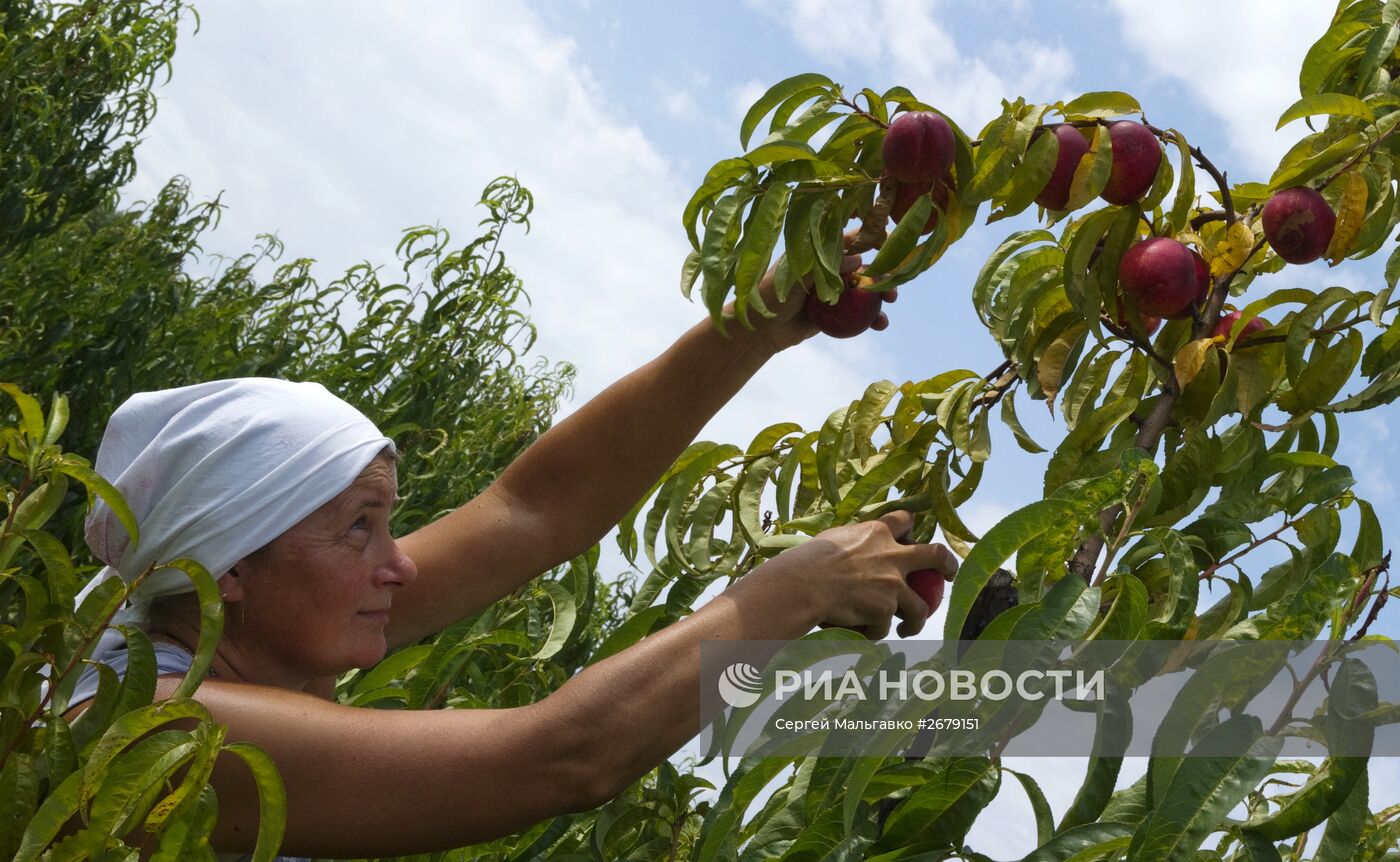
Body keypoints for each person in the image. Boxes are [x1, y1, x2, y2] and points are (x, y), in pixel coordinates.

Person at [65, 254, 958, 859]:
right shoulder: (150, 730)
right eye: (358, 528)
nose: (400, 565)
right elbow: (557, 758)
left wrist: (759, 322)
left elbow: (534, 510)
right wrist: (792, 591)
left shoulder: (258, 632)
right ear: (227, 570)